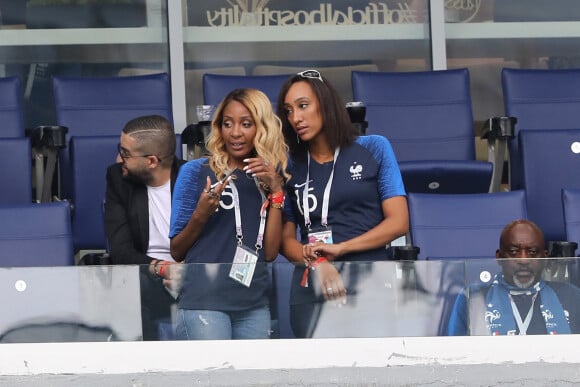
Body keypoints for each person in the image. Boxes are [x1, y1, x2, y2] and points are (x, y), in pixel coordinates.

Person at [276, 69, 409, 338]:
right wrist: (318, 263)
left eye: (303, 106)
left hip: (370, 282)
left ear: (325, 104)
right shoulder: (288, 165)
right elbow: (286, 239)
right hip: (311, 285)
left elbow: (399, 222)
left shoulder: (374, 148)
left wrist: (341, 248)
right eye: (289, 111)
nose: (296, 118)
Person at [169, 88, 289, 340]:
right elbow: (177, 250)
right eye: (227, 123)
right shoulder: (195, 171)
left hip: (253, 304)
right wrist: (201, 214)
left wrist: (276, 191)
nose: (235, 133)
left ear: (261, 128)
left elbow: (269, 252)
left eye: (246, 124)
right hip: (204, 302)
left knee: (254, 380)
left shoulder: (270, 177)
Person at [104, 114, 185, 341]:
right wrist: (162, 268)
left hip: (191, 274)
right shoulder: (118, 179)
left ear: (151, 161)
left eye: (125, 154)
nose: (118, 159)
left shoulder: (194, 177)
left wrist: (186, 271)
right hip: (146, 275)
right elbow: (120, 251)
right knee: (128, 290)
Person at [448, 219, 580, 336]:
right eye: (513, 251)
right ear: (499, 257)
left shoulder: (570, 295)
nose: (523, 260)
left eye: (532, 252)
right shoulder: (474, 297)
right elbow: (455, 355)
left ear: (545, 258)